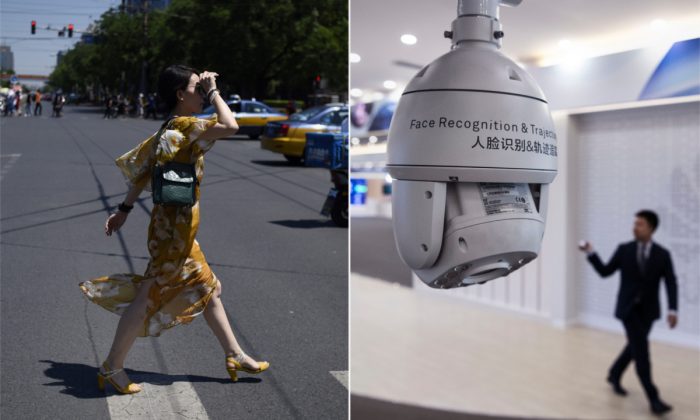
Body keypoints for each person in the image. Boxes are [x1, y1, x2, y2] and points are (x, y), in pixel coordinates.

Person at [78, 64, 269, 395]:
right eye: (197, 88)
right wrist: (215, 91)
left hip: (175, 230)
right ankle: (111, 366)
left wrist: (123, 209)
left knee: (209, 287)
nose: (203, 93)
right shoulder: (185, 127)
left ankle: (235, 354)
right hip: (173, 234)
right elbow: (231, 125)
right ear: (181, 95)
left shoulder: (168, 129)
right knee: (147, 296)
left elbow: (143, 174)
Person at [579, 209, 678, 415]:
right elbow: (605, 271)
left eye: (640, 224)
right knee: (642, 352)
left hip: (649, 311)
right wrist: (591, 253)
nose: (635, 227)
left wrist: (673, 309)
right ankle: (654, 398)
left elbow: (670, 282)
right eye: (635, 223)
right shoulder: (624, 249)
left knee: (633, 347)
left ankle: (614, 373)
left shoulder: (662, 254)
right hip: (628, 310)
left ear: (651, 228)